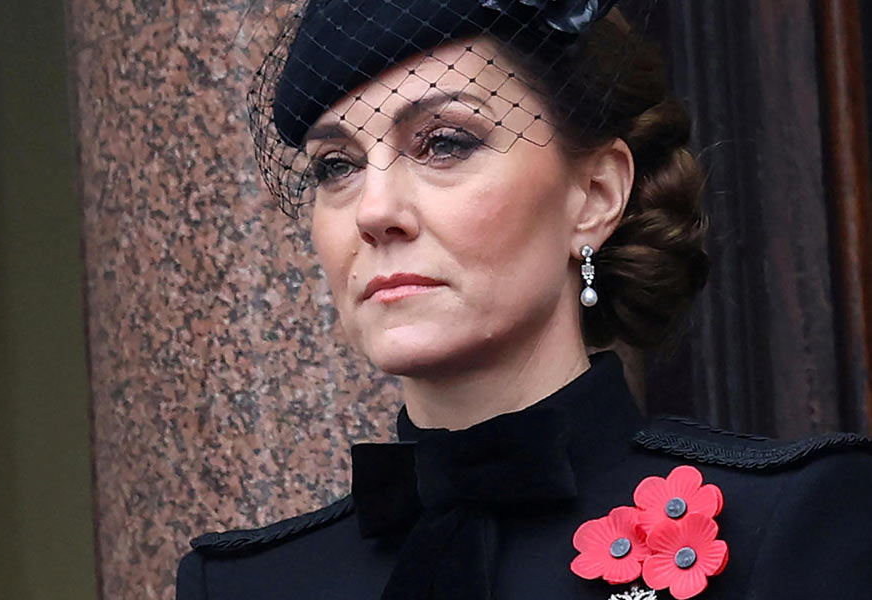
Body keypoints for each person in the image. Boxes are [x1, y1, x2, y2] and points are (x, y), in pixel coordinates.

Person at [176, 1, 872, 598]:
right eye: (338, 166)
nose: (374, 210)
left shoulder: (788, 523)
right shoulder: (250, 583)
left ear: (595, 197)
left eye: (444, 143)